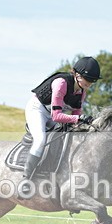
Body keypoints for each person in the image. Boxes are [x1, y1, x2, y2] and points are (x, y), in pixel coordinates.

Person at [22, 56, 101, 191]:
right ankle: (25, 180)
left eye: (92, 81)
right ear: (76, 74)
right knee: (41, 140)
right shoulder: (61, 83)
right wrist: (79, 119)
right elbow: (57, 116)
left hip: (52, 114)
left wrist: (83, 124)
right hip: (38, 110)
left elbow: (76, 116)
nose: (90, 83)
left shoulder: (82, 92)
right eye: (87, 79)